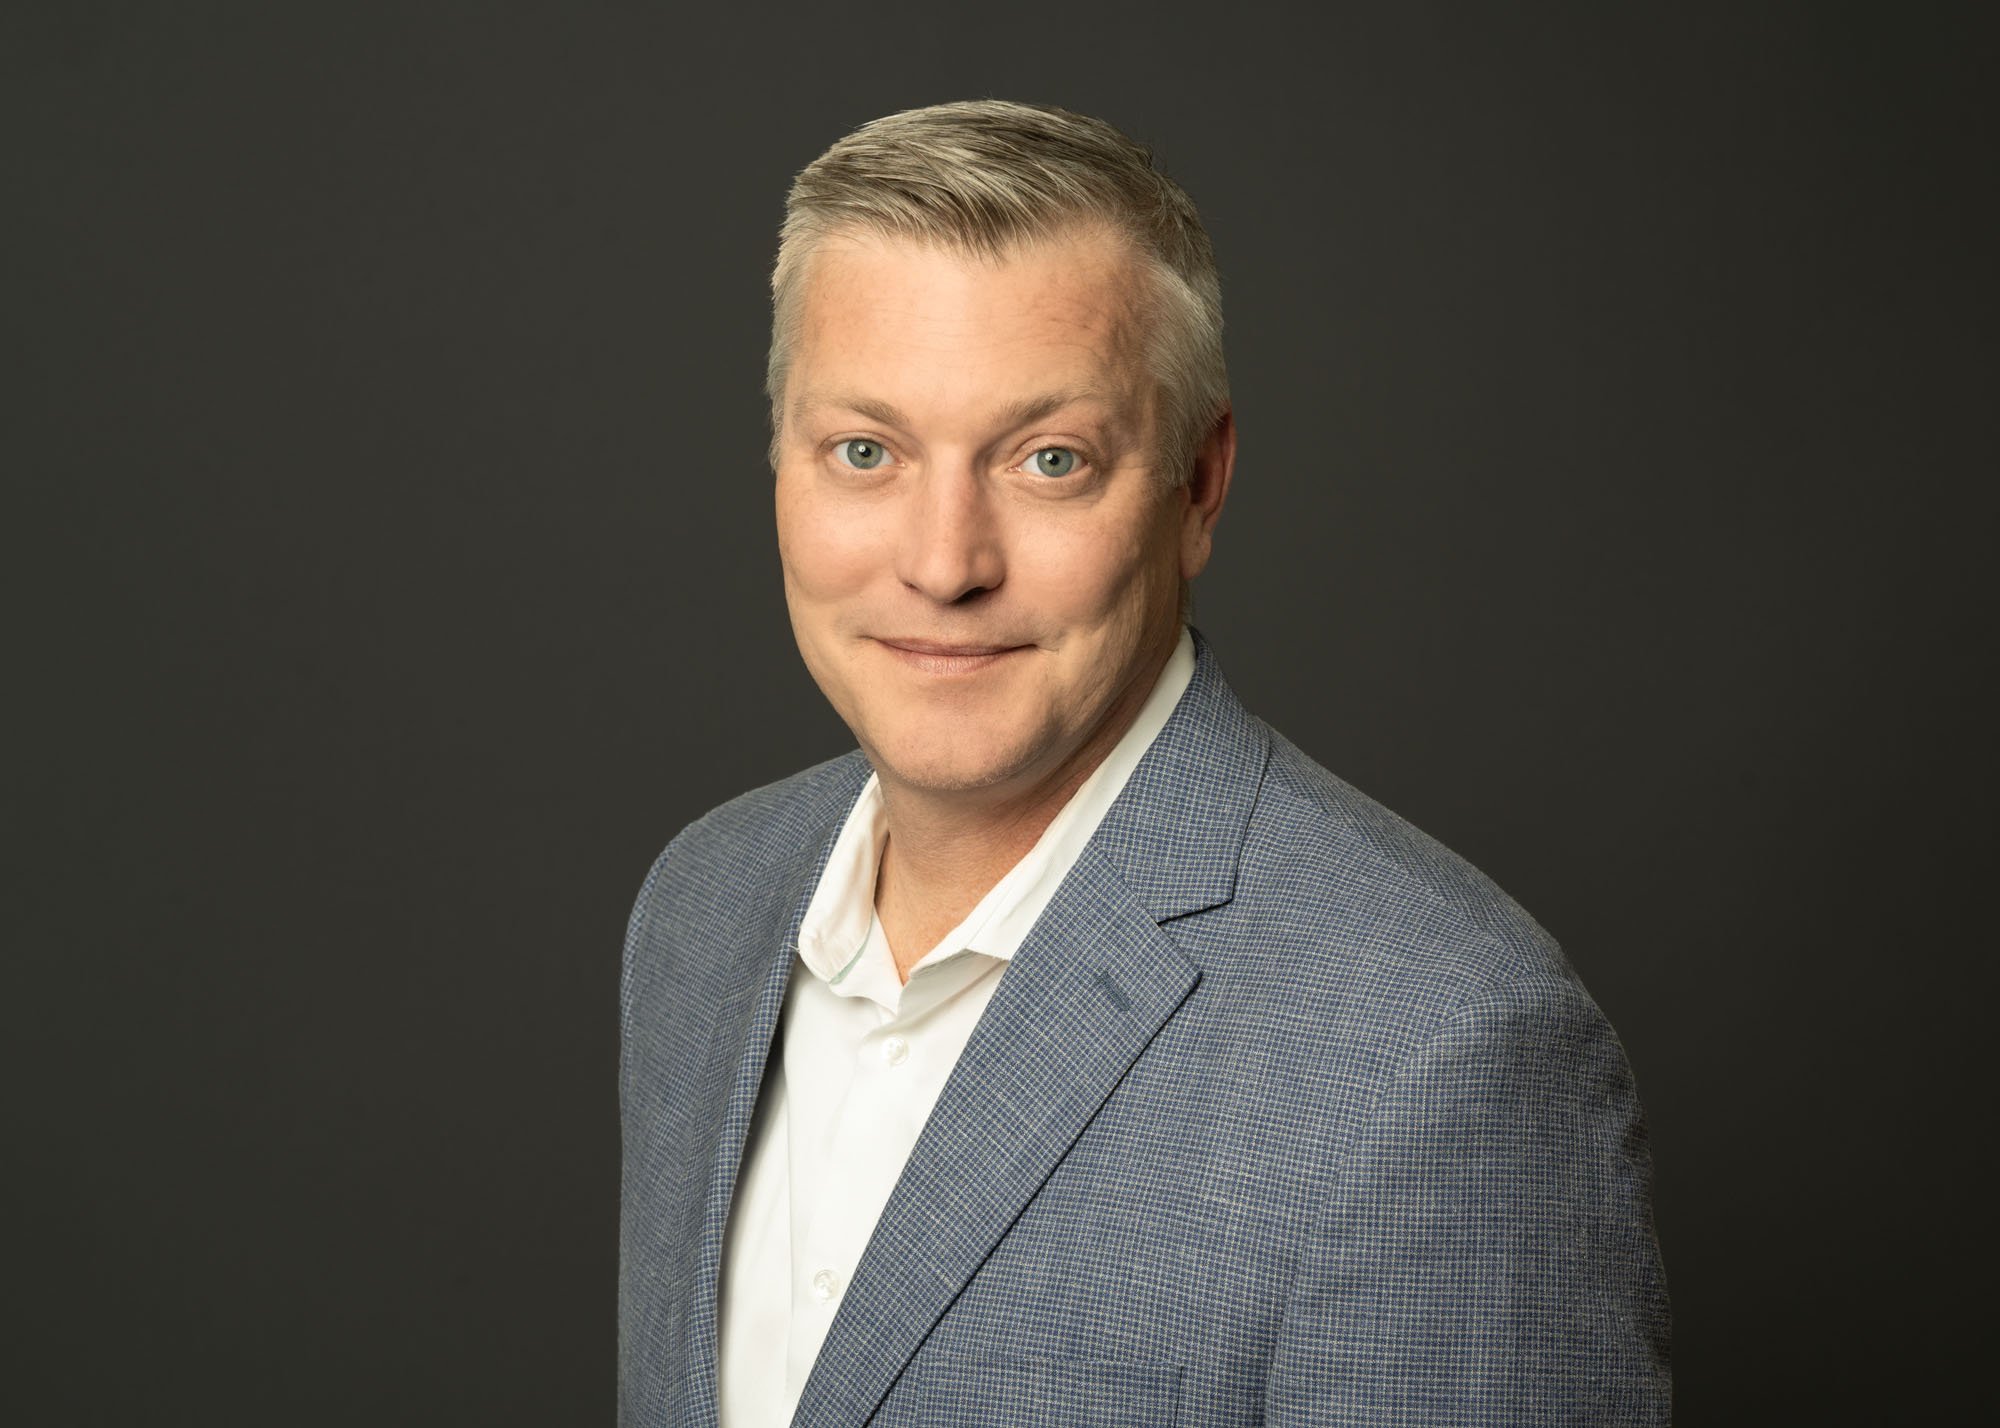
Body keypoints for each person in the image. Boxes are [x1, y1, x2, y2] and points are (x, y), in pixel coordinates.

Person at [619, 100, 1670, 1427]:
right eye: (866, 452)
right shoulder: (703, 912)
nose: (946, 562)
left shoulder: (1437, 1051)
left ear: (1199, 484)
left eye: (1049, 461)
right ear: (778, 459)